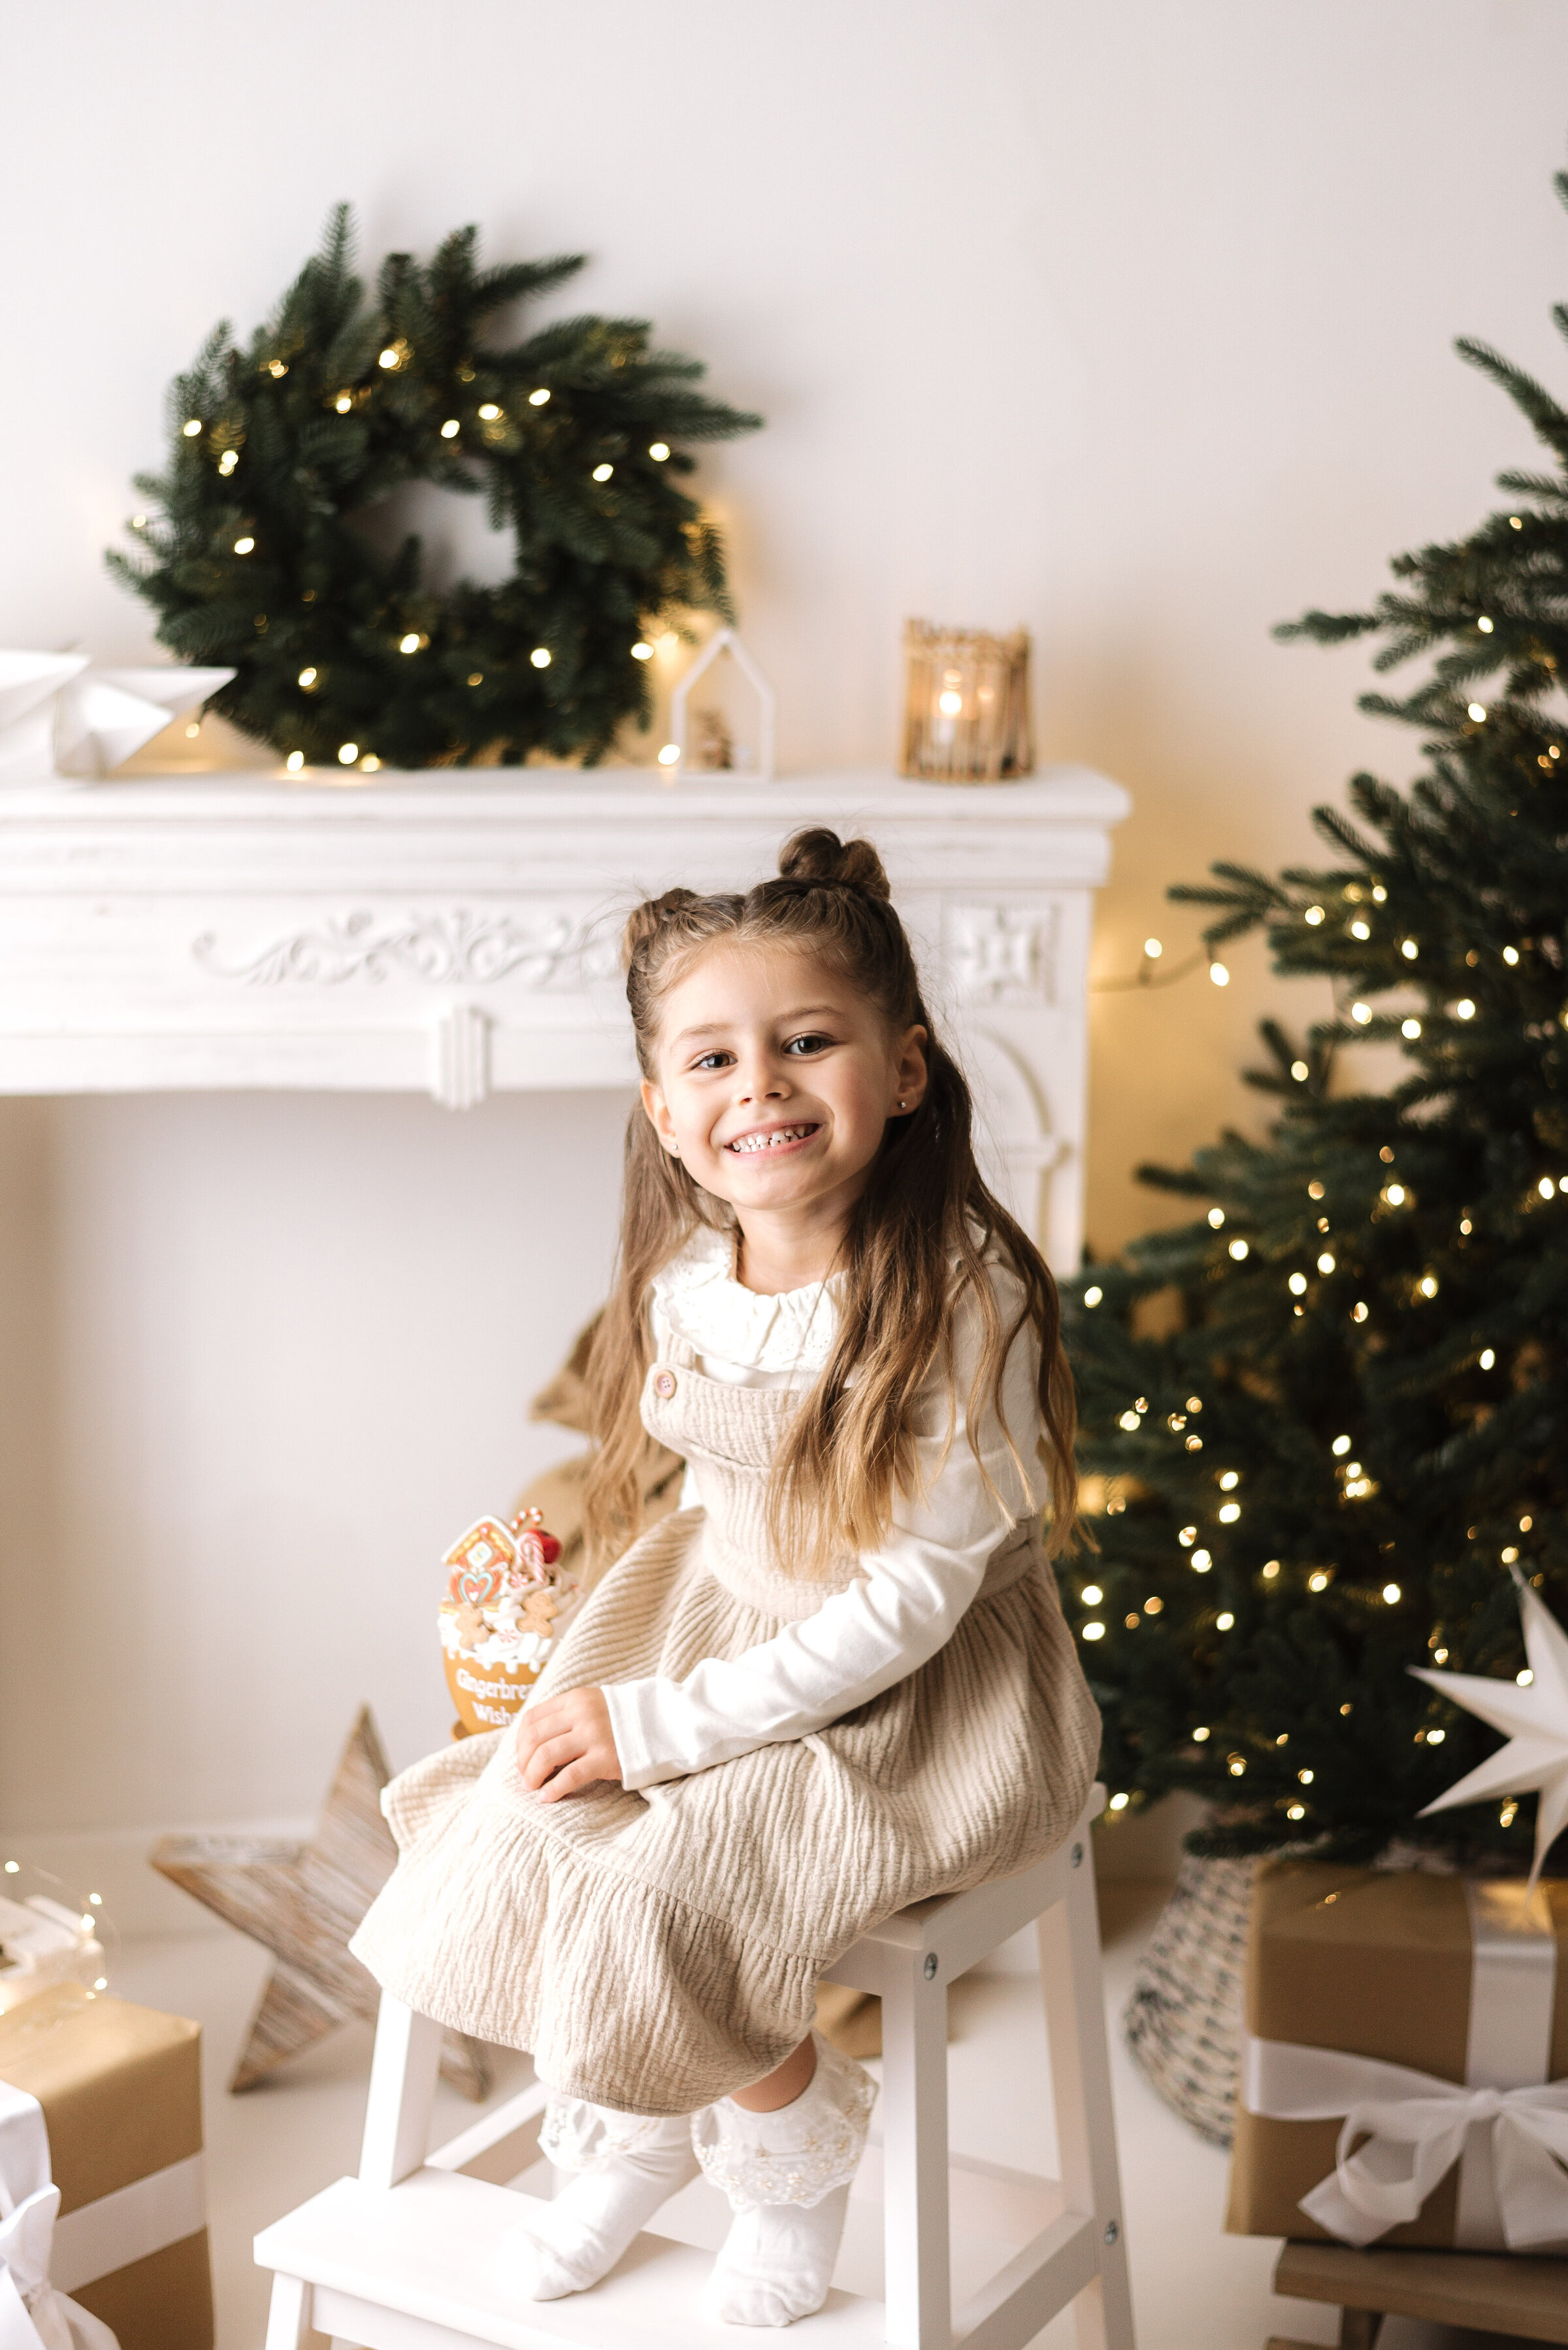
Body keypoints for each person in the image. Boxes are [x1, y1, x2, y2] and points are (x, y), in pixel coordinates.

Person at [351, 829, 1098, 2326]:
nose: (757, 1084)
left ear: (901, 1068)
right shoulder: (692, 1279)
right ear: (664, 1110)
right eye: (711, 1058)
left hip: (915, 1691)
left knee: (672, 1877)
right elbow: (724, 1492)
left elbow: (903, 1604)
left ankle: (794, 2144)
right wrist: (613, 1667)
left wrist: (662, 1726)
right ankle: (636, 2129)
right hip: (725, 1612)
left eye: (805, 1041)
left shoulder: (962, 1293)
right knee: (524, 1815)